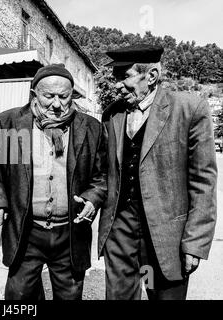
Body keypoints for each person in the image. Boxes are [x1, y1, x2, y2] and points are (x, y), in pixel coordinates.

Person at [0, 64, 107, 300]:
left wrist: (92, 199)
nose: (57, 105)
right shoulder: (11, 123)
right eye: (49, 96)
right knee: (19, 296)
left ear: (73, 96)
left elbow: (102, 176)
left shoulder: (90, 128)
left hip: (70, 232)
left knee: (69, 296)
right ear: (34, 94)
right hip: (26, 231)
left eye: (64, 97)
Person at [99, 44, 217, 300]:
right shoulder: (112, 115)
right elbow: (104, 172)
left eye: (124, 76)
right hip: (120, 232)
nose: (117, 85)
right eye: (115, 77)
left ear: (151, 76)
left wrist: (195, 242)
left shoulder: (189, 109)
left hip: (166, 236)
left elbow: (203, 181)